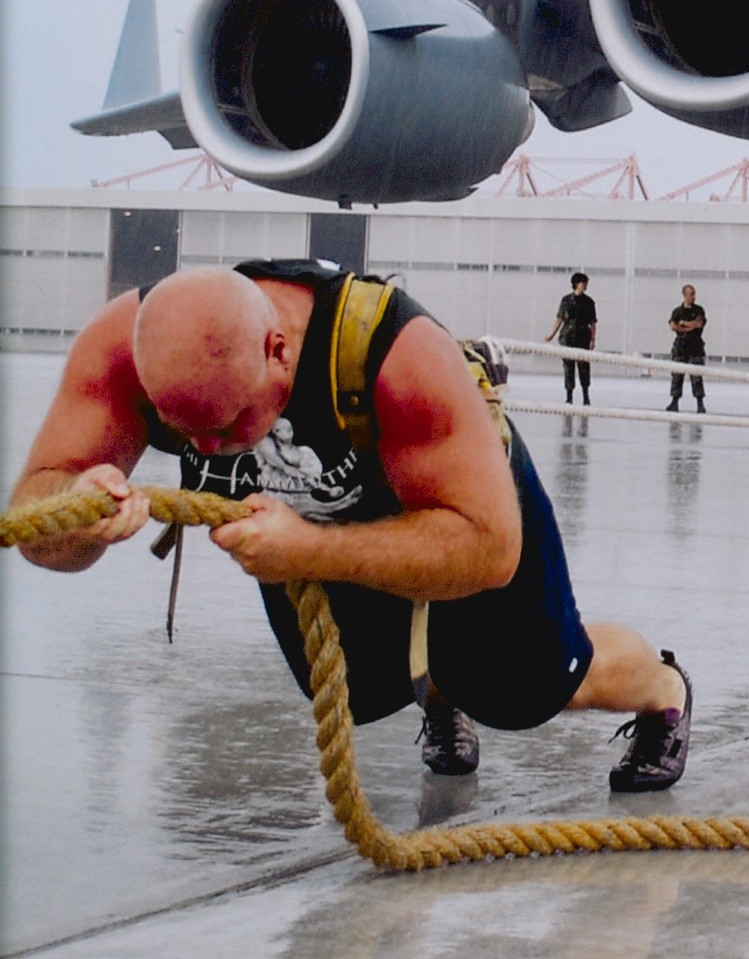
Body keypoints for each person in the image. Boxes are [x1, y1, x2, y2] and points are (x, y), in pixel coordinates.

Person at [9, 261, 692, 791]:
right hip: (306, 518)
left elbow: (487, 550)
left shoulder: (394, 353)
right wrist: (79, 509)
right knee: (357, 690)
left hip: (451, 505)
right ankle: (439, 683)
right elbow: (37, 516)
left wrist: (307, 548)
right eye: (184, 434)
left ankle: (663, 689)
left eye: (227, 425)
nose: (210, 454)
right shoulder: (124, 347)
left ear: (277, 350)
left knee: (520, 691)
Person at [546, 272, 597, 405]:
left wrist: (592, 339)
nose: (585, 285)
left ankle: (586, 396)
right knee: (568, 368)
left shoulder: (589, 302)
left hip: (583, 337)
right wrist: (551, 334)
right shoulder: (566, 300)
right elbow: (560, 318)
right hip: (568, 336)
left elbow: (593, 322)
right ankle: (569, 397)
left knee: (584, 367)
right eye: (583, 283)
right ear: (576, 284)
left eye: (586, 283)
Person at [666, 284, 706, 413]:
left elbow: (699, 324)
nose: (693, 297)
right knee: (677, 376)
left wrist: (684, 324)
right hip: (680, 348)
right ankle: (675, 401)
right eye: (691, 294)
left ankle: (700, 403)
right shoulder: (677, 311)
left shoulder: (699, 310)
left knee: (697, 377)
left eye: (694, 294)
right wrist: (689, 327)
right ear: (684, 295)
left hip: (696, 348)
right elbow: (673, 326)